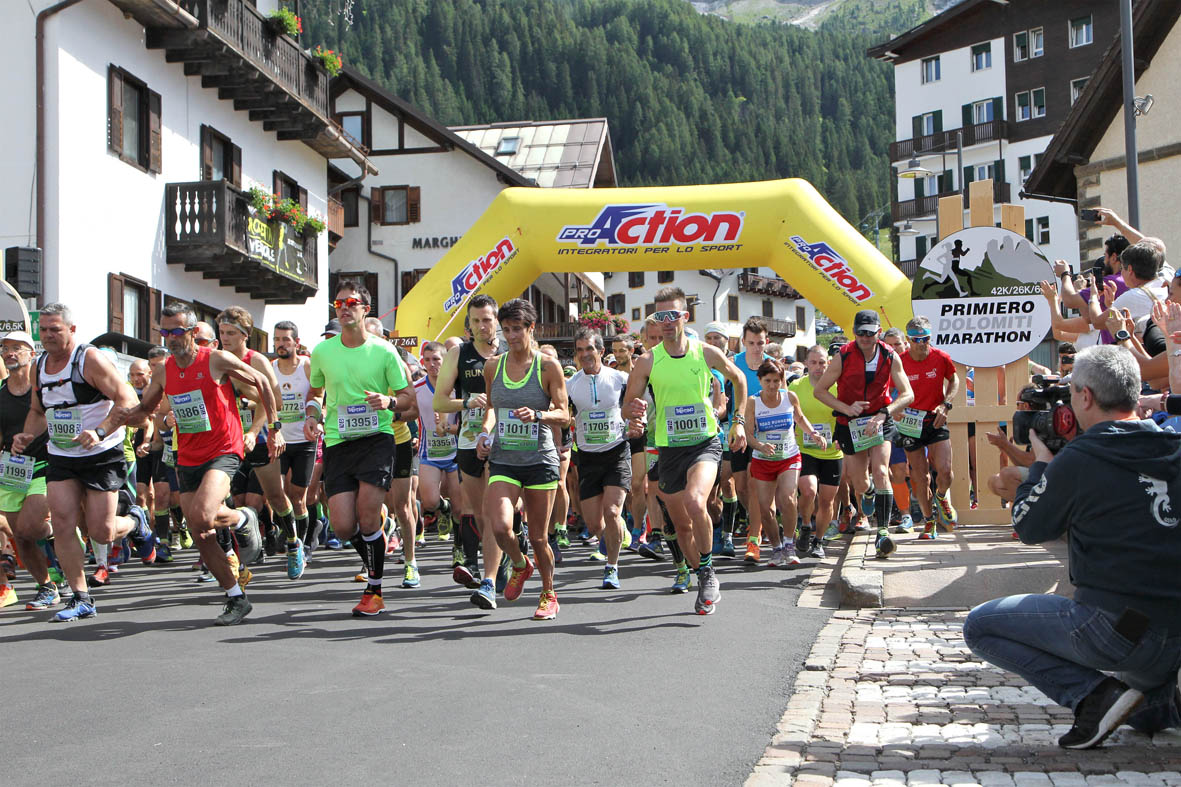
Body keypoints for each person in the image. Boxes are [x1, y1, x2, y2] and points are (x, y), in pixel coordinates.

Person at [963, 345, 1181, 749]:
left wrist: (1043, 466)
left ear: (1085, 397)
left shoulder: (1080, 459)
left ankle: (1094, 699)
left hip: (1117, 628)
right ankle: (1160, 701)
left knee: (980, 625)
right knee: (1145, 697)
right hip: (1173, 631)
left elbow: (1029, 527)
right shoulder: (1174, 445)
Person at [111, 301, 271, 625]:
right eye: (164, 331)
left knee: (203, 514)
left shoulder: (215, 359)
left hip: (224, 448)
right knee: (200, 530)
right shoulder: (164, 370)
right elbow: (146, 409)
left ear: (193, 331)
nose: (170, 337)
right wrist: (120, 419)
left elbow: (263, 382)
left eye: (176, 331)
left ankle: (242, 520)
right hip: (187, 455)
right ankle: (235, 596)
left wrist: (274, 425)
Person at [12, 304, 157, 622]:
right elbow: (38, 411)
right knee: (62, 523)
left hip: (102, 454)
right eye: (44, 329)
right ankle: (81, 597)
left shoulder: (88, 359)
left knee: (101, 532)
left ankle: (135, 522)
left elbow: (128, 399)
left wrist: (100, 430)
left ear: (71, 330)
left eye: (55, 329)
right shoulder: (39, 366)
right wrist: (26, 435)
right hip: (62, 456)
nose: (48, 335)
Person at [623, 286, 749, 615]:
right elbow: (627, 406)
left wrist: (738, 421)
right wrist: (633, 414)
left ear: (685, 317)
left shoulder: (705, 352)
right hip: (668, 449)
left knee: (696, 501)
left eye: (673, 315)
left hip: (705, 442)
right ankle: (702, 572)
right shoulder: (648, 361)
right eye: (660, 316)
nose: (666, 322)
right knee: (680, 527)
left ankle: (707, 575)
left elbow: (739, 380)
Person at [304, 280, 413, 617]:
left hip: (377, 440)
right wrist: (312, 416)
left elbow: (408, 401)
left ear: (366, 309)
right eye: (339, 303)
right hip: (338, 442)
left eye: (351, 302)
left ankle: (375, 590)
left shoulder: (383, 351)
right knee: (342, 527)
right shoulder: (322, 352)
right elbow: (315, 394)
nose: (344, 307)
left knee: (366, 517)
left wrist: (389, 401)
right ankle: (376, 540)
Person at [474, 299, 569, 618]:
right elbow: (491, 408)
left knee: (540, 537)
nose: (511, 336)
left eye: (517, 329)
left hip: (540, 460)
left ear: (531, 328)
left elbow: (564, 414)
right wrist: (485, 434)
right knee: (500, 526)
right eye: (507, 329)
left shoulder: (547, 366)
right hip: (503, 458)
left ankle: (548, 593)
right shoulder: (493, 366)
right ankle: (518, 563)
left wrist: (539, 415)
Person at [813, 309, 914, 560]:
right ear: (854, 333)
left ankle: (882, 532)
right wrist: (847, 408)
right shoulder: (843, 356)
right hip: (850, 422)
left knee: (881, 471)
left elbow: (908, 394)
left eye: (870, 333)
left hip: (880, 419)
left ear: (878, 332)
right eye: (860, 333)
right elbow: (820, 391)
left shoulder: (890, 356)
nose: (865, 338)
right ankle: (868, 495)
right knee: (860, 482)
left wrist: (885, 413)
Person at [216, 307, 296, 577]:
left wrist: (253, 427)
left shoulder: (257, 360)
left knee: (274, 495)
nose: (224, 338)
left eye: (231, 333)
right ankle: (231, 559)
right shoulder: (216, 358)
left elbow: (275, 401)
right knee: (224, 499)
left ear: (245, 335)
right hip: (226, 440)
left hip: (259, 437)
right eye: (222, 332)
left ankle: (294, 543)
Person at [433, 295, 503, 591]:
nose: (481, 326)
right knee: (476, 510)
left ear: (496, 320)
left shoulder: (512, 348)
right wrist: (466, 403)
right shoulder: (458, 354)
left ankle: (491, 570)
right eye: (475, 321)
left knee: (494, 510)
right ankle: (494, 563)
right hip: (469, 439)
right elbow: (440, 401)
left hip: (507, 439)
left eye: (487, 320)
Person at [744, 359, 825, 567]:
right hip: (763, 460)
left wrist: (814, 433)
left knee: (788, 498)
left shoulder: (790, 397)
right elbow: (748, 434)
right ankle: (776, 547)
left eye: (777, 381)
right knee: (766, 510)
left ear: (782, 380)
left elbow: (800, 418)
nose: (772, 386)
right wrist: (760, 446)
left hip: (789, 456)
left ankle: (789, 543)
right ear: (760, 380)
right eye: (768, 381)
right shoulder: (753, 402)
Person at [567, 328, 631, 589]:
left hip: (616, 451)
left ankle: (612, 567)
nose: (585, 355)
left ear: (601, 352)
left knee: (613, 511)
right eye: (580, 350)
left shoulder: (620, 379)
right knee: (595, 525)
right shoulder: (570, 385)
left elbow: (638, 404)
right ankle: (618, 531)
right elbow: (562, 413)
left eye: (590, 349)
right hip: (588, 458)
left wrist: (637, 423)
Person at [0, 331, 57, 611]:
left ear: (30, 354)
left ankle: (60, 531)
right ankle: (47, 586)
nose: (10, 352)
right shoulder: (0, 392)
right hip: (11, 471)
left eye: (17, 348)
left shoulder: (44, 389)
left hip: (44, 465)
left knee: (30, 527)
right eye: (6, 348)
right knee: (19, 535)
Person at [897, 316, 960, 538]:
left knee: (945, 470)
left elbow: (954, 380)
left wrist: (946, 404)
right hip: (910, 422)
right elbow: (885, 388)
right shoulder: (900, 360)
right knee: (920, 477)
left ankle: (941, 496)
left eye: (925, 339)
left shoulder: (940, 357)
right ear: (908, 340)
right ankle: (928, 519)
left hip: (935, 418)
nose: (921, 343)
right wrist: (893, 408)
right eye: (916, 339)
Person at [272, 320, 316, 578]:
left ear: (296, 343)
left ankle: (303, 544)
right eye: (277, 339)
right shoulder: (270, 368)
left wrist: (316, 417)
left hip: (303, 440)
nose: (280, 344)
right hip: (279, 440)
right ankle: (291, 539)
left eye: (286, 339)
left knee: (298, 497)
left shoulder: (307, 367)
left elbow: (320, 396)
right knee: (276, 494)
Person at [790, 345, 843, 553]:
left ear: (828, 363)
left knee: (827, 500)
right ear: (806, 364)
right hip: (805, 448)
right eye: (813, 362)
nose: (818, 367)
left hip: (832, 451)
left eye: (822, 363)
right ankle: (805, 524)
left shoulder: (838, 387)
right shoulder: (796, 386)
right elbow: (788, 414)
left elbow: (845, 415)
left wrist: (841, 437)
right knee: (809, 489)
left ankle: (818, 541)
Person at [727, 318, 770, 564]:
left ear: (767, 342)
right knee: (741, 485)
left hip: (764, 436)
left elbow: (782, 399)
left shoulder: (772, 367)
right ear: (743, 342)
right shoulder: (733, 364)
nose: (756, 348)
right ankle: (757, 517)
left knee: (754, 485)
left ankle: (754, 539)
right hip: (739, 432)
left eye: (760, 343)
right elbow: (718, 391)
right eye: (751, 343)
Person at [414, 341, 459, 550]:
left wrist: (450, 428)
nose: (432, 364)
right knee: (429, 502)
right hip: (429, 451)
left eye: (437, 360)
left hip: (456, 451)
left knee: (461, 507)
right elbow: (410, 411)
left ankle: (459, 549)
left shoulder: (456, 386)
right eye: (428, 360)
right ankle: (444, 507)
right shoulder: (418, 388)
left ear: (445, 360)